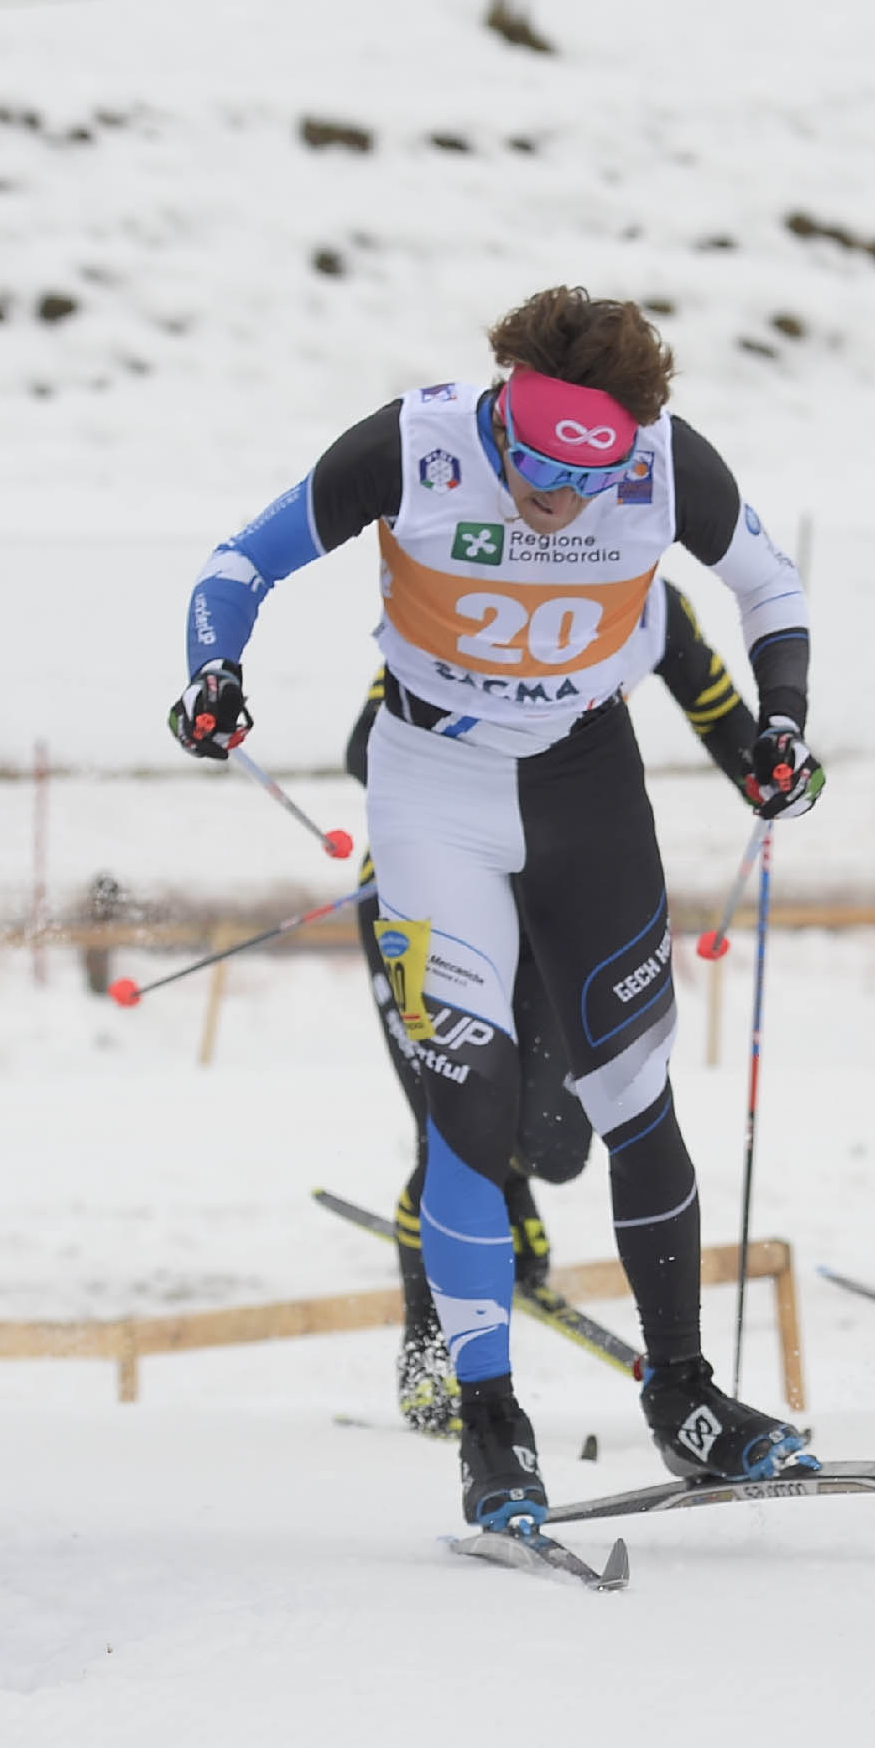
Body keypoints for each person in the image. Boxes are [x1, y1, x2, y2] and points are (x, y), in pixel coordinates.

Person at [172, 285, 827, 1535]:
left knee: (634, 1103)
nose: (554, 502)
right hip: (434, 787)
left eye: (584, 481)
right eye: (530, 469)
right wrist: (215, 669)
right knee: (470, 1104)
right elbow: (239, 562)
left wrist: (781, 722)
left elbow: (770, 588)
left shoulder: (664, 464)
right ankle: (489, 1421)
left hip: (589, 787)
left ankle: (686, 1396)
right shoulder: (413, 444)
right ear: (502, 410)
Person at [353, 583, 771, 1435]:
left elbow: (725, 717)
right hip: (435, 894)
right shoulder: (491, 587)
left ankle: (516, 1191)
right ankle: (432, 1347)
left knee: (555, 1142)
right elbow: (369, 744)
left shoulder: (651, 605)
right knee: (464, 1121)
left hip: (558, 900)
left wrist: (772, 769)